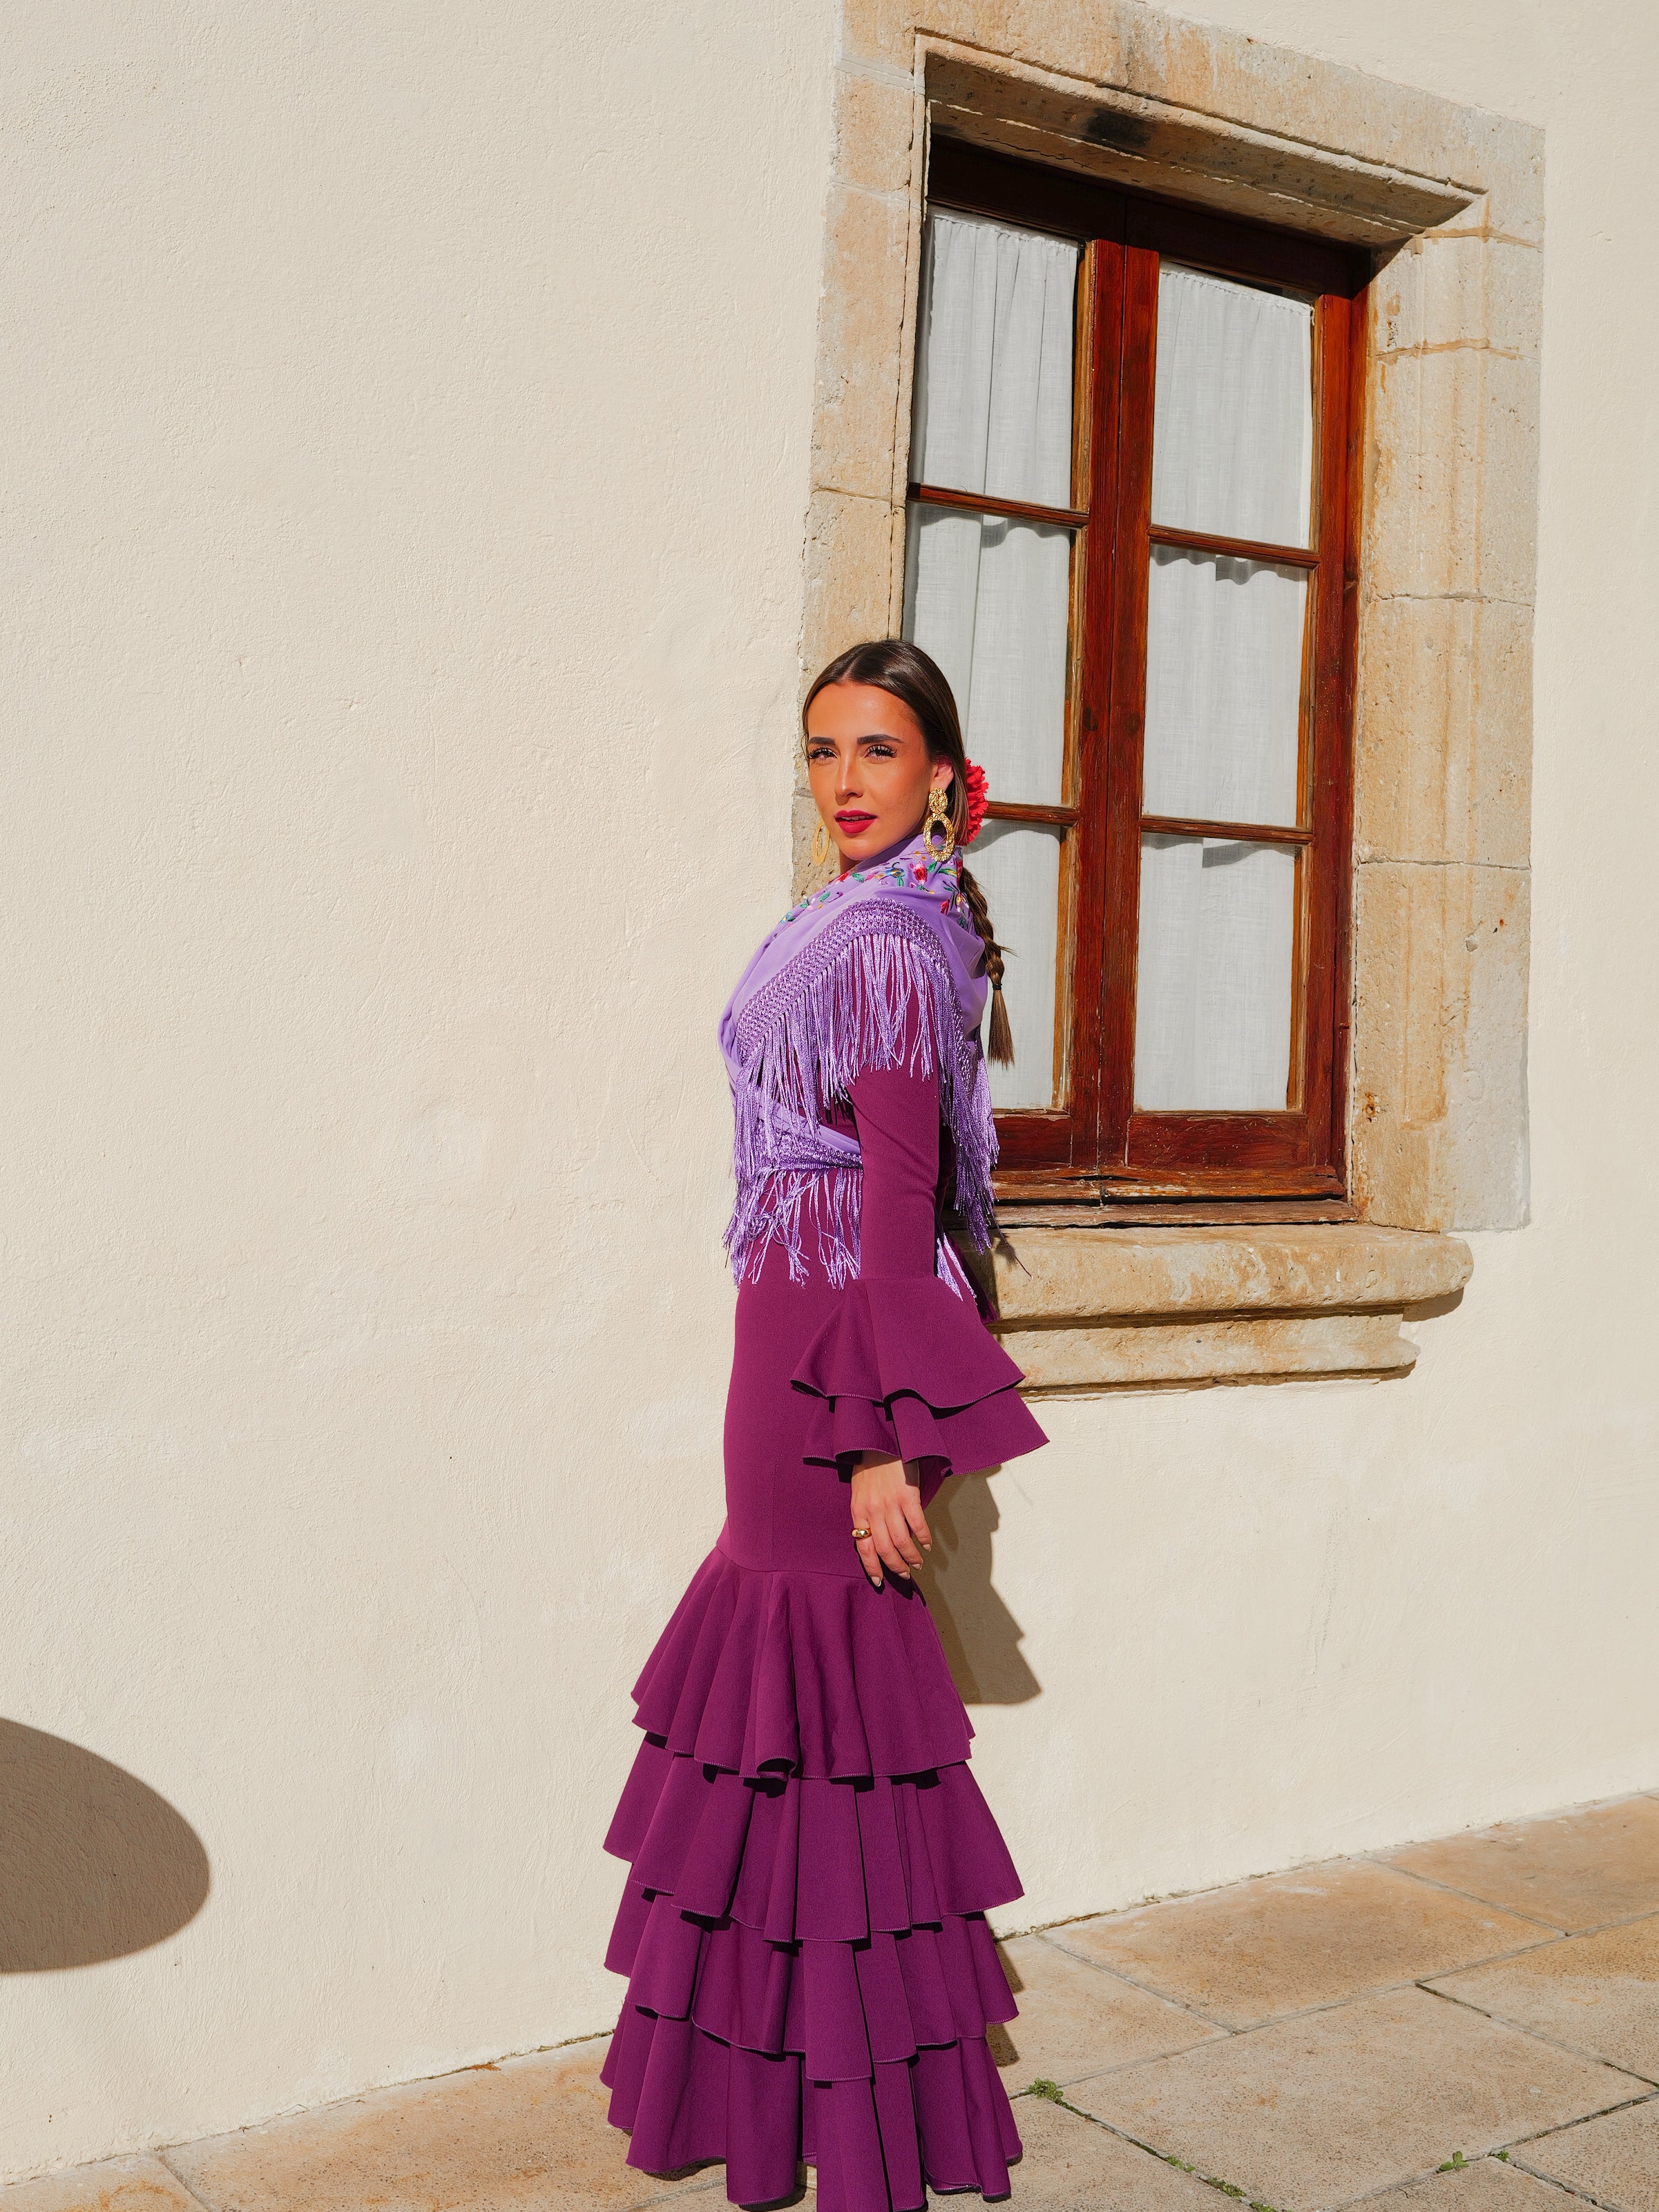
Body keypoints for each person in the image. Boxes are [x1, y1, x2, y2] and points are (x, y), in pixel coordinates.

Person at [600, 639, 1048, 2211]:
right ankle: (785, 2094)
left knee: (834, 1734)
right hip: (785, 1327)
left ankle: (860, 2126)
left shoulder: (890, 943)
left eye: (876, 749)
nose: (844, 781)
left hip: (832, 1357)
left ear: (941, 773)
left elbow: (899, 1196)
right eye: (821, 752)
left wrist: (874, 1437)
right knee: (786, 1744)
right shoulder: (851, 918)